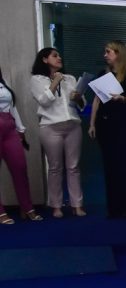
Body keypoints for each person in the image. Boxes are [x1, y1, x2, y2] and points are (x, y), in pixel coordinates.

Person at [30, 48, 86, 218]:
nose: (59, 58)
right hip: (51, 126)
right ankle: (56, 206)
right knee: (55, 168)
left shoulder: (70, 78)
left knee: (73, 167)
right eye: (55, 56)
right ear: (44, 59)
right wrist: (55, 82)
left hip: (72, 125)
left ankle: (77, 205)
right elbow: (44, 101)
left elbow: (82, 105)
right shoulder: (37, 79)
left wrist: (78, 98)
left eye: (59, 55)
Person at [88, 40, 126, 217]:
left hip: (123, 123)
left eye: (108, 52)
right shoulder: (103, 75)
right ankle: (114, 207)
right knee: (109, 166)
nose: (105, 55)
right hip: (105, 123)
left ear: (119, 54)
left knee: (125, 165)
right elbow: (97, 100)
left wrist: (122, 98)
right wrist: (92, 123)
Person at [0, 66, 42, 223]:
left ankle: (27, 207)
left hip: (9, 126)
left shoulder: (3, 83)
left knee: (20, 167)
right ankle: (0, 212)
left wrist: (20, 128)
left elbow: (12, 106)